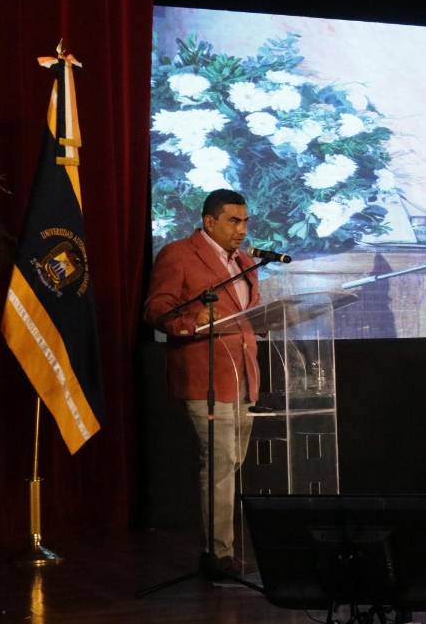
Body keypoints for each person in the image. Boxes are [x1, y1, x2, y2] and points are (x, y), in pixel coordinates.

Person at [143, 189, 260, 573]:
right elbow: (157, 309)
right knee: (220, 462)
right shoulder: (178, 254)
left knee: (231, 461)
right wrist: (193, 323)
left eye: (244, 221)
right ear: (209, 221)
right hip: (204, 376)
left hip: (243, 376)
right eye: (233, 221)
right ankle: (218, 554)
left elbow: (250, 315)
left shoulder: (245, 262)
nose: (241, 230)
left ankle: (220, 548)